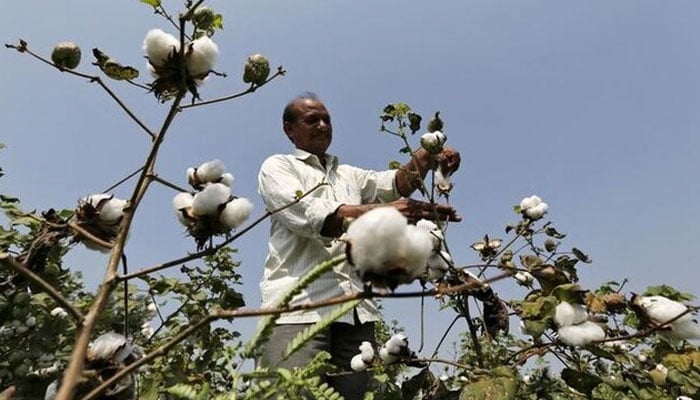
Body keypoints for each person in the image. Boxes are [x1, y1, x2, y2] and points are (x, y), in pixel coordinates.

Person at [256, 93, 460, 399]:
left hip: (356, 316)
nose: (323, 125)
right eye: (312, 120)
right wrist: (385, 212)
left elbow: (396, 184)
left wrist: (428, 156)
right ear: (289, 129)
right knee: (291, 394)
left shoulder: (348, 175)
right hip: (296, 312)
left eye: (327, 120)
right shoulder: (278, 167)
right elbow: (312, 215)